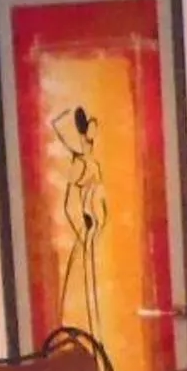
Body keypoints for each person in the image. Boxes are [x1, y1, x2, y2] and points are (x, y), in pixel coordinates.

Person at [50, 103, 109, 338]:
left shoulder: (89, 160)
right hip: (88, 233)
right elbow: (69, 205)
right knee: (84, 298)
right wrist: (84, 229)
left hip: (96, 231)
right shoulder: (80, 165)